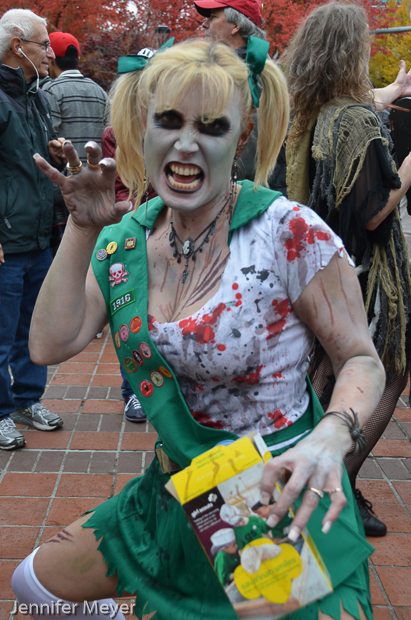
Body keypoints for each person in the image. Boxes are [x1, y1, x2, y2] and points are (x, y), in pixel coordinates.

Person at [12, 38, 385, 620]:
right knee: (34, 583)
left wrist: (332, 436)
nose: (186, 142)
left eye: (211, 127)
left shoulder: (288, 231)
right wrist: (82, 229)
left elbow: (360, 358)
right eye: (169, 120)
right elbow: (48, 345)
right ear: (144, 126)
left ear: (242, 136)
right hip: (177, 486)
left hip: (272, 495)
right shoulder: (126, 239)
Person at [285, 2, 411, 538]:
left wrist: (394, 89)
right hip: (364, 274)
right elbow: (373, 214)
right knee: (384, 371)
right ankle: (339, 479)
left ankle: (307, 472)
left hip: (323, 266)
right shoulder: (356, 120)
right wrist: (409, 169)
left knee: (327, 371)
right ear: (347, 52)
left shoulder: (312, 110)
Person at [0, 9, 64, 451]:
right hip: (7, 239)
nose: (50, 53)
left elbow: (32, 159)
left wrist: (56, 150)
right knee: (1, 334)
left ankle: (27, 399)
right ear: (17, 44)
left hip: (39, 234)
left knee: (32, 327)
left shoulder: (36, 97)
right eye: (44, 44)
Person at [194, 0, 287, 194]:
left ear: (236, 26)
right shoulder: (258, 67)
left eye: (213, 17)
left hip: (240, 197)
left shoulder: (246, 76)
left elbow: (245, 158)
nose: (205, 24)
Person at [42, 32, 108, 256]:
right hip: (96, 188)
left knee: (65, 258)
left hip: (64, 193)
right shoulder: (100, 92)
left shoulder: (50, 91)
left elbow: (49, 140)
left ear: (51, 58)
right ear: (77, 58)